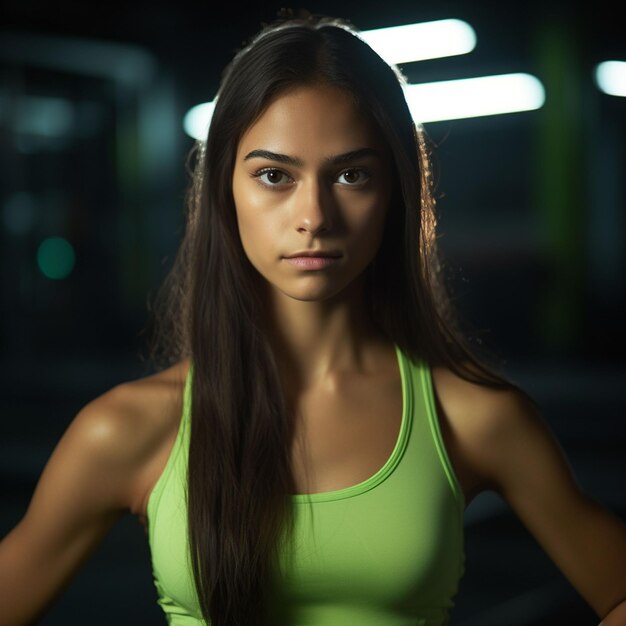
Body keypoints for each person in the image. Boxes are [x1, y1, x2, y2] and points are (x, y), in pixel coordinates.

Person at [1, 11, 625, 626]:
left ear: (394, 194)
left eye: (352, 175)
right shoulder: (128, 429)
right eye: (274, 176)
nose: (314, 216)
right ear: (226, 191)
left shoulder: (471, 417)